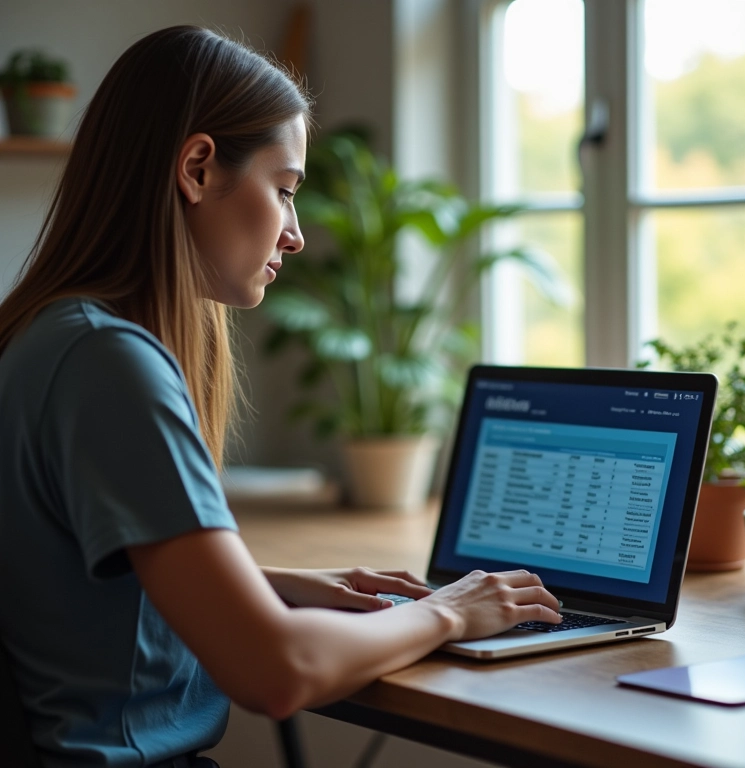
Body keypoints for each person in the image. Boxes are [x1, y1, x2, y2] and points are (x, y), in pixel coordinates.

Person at [0, 25, 562, 768]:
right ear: (197, 168)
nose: (295, 233)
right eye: (285, 189)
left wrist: (271, 587)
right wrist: (447, 613)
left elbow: (70, 583)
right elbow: (276, 671)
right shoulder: (108, 362)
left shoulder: (46, 333)